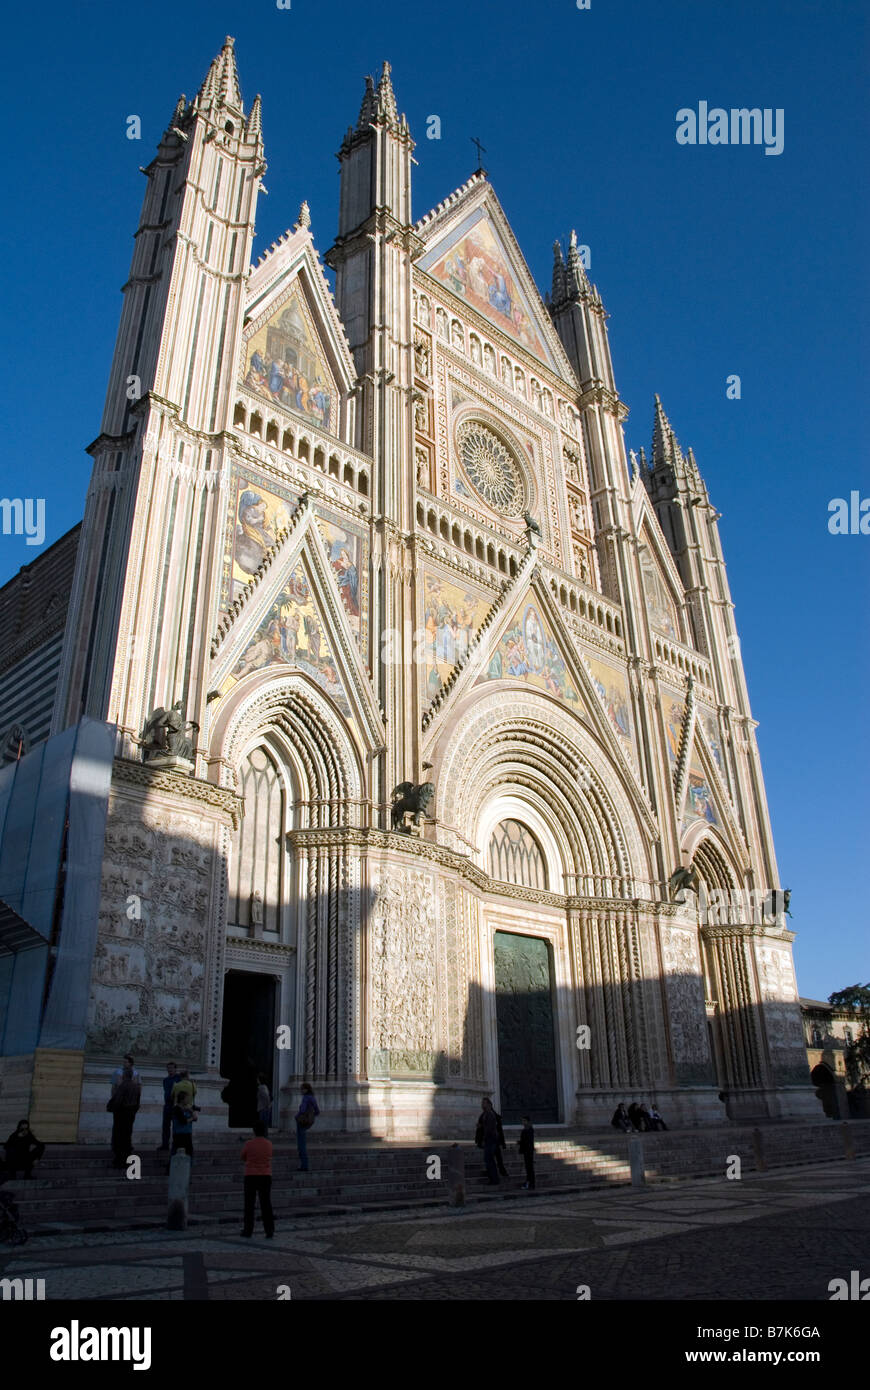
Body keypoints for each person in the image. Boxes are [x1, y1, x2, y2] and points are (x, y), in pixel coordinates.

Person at [240, 1121, 275, 1238]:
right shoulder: (269, 1144)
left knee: (249, 1204)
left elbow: (243, 1156)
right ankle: (269, 1230)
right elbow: (270, 1156)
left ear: (254, 1131)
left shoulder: (249, 1144)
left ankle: (248, 1230)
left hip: (251, 1175)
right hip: (265, 1175)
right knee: (266, 1204)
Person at [110, 1065, 141, 1169]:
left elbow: (118, 1100)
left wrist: (114, 1109)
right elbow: (138, 1102)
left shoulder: (122, 1086)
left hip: (121, 1113)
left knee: (119, 1136)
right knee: (127, 1136)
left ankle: (119, 1160)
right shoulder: (136, 1087)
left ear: (124, 1075)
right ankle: (128, 1158)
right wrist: (133, 1111)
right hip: (131, 1113)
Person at [475, 1097, 501, 1185]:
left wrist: (483, 1139)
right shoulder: (485, 1114)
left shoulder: (490, 1114)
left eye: (484, 1103)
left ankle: (494, 1179)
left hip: (491, 1140)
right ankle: (493, 1178)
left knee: (489, 1159)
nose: (482, 1105)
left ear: (489, 1105)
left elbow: (489, 1129)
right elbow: (486, 1127)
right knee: (489, 1160)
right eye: (482, 1103)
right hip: (490, 1140)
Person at [294, 1083, 319, 1172]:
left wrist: (297, 1116)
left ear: (306, 1089)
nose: (301, 1091)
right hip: (308, 1122)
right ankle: (304, 1164)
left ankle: (304, 1165)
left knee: (301, 1144)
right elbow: (317, 1110)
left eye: (302, 1089)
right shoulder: (312, 1098)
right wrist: (312, 1116)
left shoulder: (305, 1098)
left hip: (302, 1121)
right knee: (303, 1142)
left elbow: (302, 1110)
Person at [159, 1062, 178, 1151]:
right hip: (167, 1105)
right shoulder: (165, 1080)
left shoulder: (178, 1079)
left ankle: (175, 1144)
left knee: (175, 1126)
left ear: (175, 1069)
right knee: (165, 1126)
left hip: (175, 1105)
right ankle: (165, 1144)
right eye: (168, 1068)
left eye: (171, 1068)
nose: (169, 1070)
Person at [518, 1116, 535, 1191]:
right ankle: (529, 1183)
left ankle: (530, 1183)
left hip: (528, 1152)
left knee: (529, 1168)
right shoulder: (526, 1130)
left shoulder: (529, 1130)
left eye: (524, 1121)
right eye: (522, 1121)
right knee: (528, 1168)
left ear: (528, 1122)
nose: (523, 1122)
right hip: (527, 1151)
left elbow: (528, 1142)